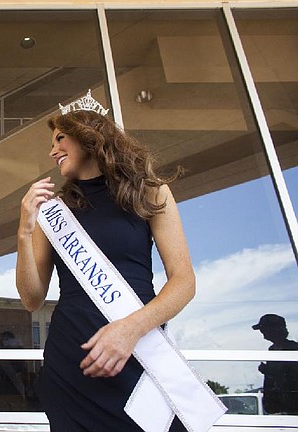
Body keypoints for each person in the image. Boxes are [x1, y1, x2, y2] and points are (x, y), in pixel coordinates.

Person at [16, 92, 196, 431]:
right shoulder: (53, 212)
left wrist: (129, 330)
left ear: (87, 135)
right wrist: (24, 232)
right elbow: (31, 298)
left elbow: (184, 282)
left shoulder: (151, 192)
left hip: (138, 353)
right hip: (72, 363)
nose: (52, 151)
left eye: (59, 139)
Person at [252, 313, 298, 414]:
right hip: (276, 405)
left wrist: (269, 371)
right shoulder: (272, 350)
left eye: (264, 330)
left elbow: (291, 377)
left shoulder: (293, 349)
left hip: (292, 405)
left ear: (274, 330)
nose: (263, 334)